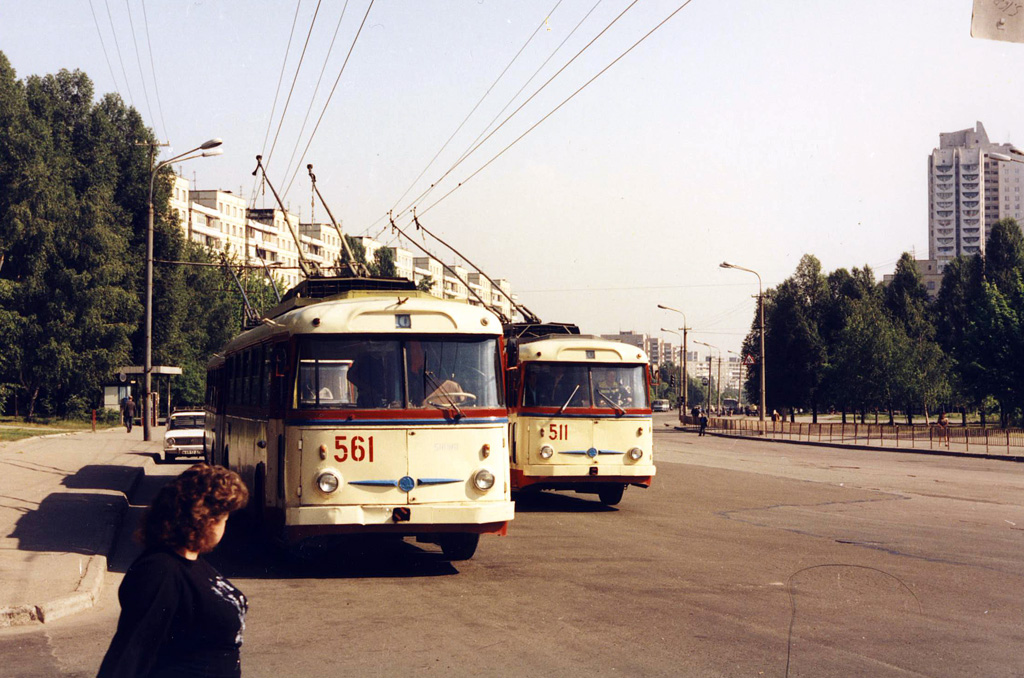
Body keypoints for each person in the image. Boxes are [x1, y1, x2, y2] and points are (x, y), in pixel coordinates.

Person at [97, 464, 249, 678]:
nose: (225, 526)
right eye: (224, 518)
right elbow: (129, 654)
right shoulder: (160, 571)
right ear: (207, 521)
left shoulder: (196, 564)